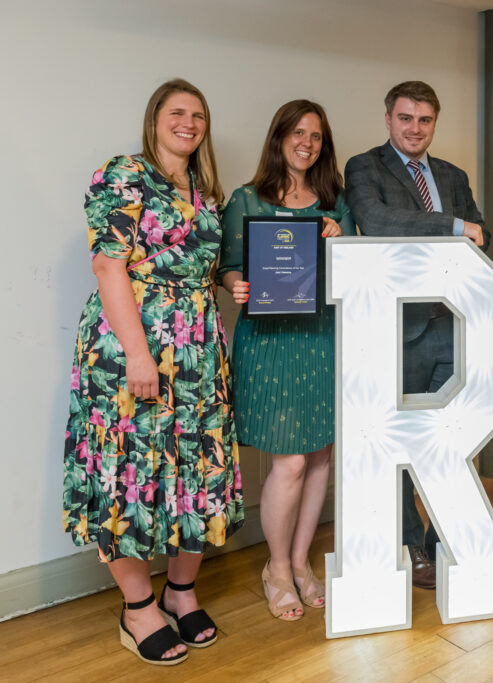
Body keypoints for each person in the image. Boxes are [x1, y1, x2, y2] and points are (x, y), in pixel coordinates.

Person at [62, 78, 242, 665]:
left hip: (198, 353)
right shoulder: (124, 174)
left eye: (198, 115)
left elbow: (190, 263)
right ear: (155, 119)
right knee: (130, 469)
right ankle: (137, 608)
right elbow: (110, 267)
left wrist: (226, 282)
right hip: (131, 348)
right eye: (177, 113)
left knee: (196, 467)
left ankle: (181, 590)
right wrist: (139, 355)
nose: (188, 123)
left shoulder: (205, 190)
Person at [344, 81, 488, 590]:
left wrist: (469, 228)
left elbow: (482, 231)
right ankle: (408, 542)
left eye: (425, 120)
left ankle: (441, 539)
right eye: (406, 118)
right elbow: (379, 222)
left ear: (434, 123)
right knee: (399, 444)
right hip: (397, 328)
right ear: (388, 120)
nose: (415, 129)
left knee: (454, 438)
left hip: (454, 326)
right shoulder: (364, 167)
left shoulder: (452, 174)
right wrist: (454, 226)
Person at [218, 100, 354, 620]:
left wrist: (344, 240)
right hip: (270, 340)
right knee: (290, 460)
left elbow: (357, 268)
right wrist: (237, 284)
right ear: (279, 137)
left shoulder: (336, 203)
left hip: (321, 336)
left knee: (320, 454)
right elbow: (227, 267)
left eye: (317, 136)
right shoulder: (246, 199)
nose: (307, 143)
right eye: (298, 133)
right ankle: (275, 567)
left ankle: (300, 563)